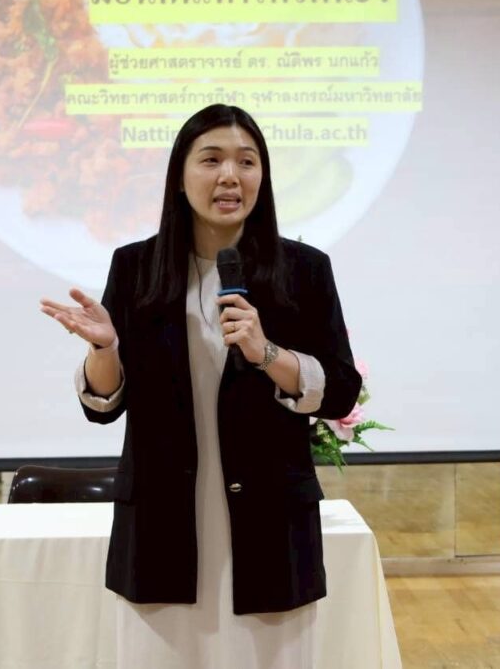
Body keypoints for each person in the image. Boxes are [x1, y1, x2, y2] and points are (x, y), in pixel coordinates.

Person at [40, 104, 361, 668]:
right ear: (179, 176)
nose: (230, 176)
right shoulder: (136, 268)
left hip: (271, 530)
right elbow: (104, 405)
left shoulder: (304, 270)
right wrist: (105, 349)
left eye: (246, 162)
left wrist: (268, 354)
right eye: (211, 160)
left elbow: (338, 391)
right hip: (162, 528)